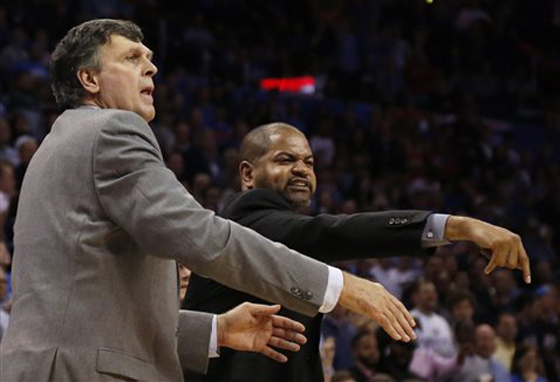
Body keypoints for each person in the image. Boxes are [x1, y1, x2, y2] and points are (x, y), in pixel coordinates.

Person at [0, 19, 418, 381]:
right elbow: (200, 235)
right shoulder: (110, 131)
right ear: (88, 79)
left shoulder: (55, 147)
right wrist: (336, 286)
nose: (152, 66)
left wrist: (216, 331)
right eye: (131, 58)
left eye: (148, 56)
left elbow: (92, 311)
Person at [183, 122, 531, 381]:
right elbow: (333, 233)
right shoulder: (245, 221)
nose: (302, 169)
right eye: (286, 159)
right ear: (248, 174)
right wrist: (455, 226)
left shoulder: (289, 235)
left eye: (309, 162)